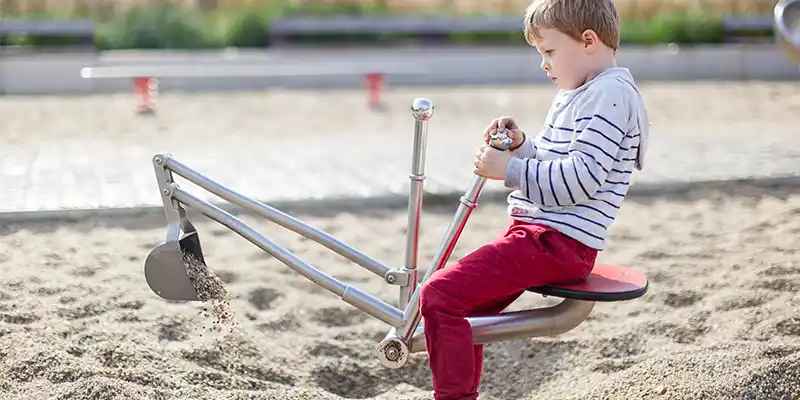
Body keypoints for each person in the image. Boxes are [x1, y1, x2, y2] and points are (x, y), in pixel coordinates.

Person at [417, 0, 652, 399]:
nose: (544, 64)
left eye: (549, 51)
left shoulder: (610, 96)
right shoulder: (586, 91)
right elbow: (559, 160)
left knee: (439, 296)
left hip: (556, 243)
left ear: (588, 40)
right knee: (464, 304)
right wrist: (523, 146)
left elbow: (580, 180)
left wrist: (508, 171)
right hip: (542, 236)